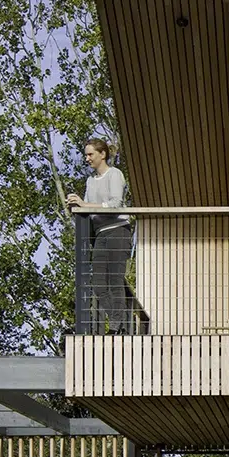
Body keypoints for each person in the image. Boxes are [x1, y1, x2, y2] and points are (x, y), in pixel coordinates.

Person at [67, 137, 134, 331]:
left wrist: (85, 204)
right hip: (100, 235)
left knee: (114, 280)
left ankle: (116, 326)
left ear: (102, 154)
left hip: (118, 231)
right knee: (98, 284)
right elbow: (87, 209)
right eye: (86, 155)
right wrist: (76, 206)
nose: (87, 158)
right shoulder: (90, 181)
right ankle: (116, 321)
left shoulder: (115, 174)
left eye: (90, 154)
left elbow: (115, 204)